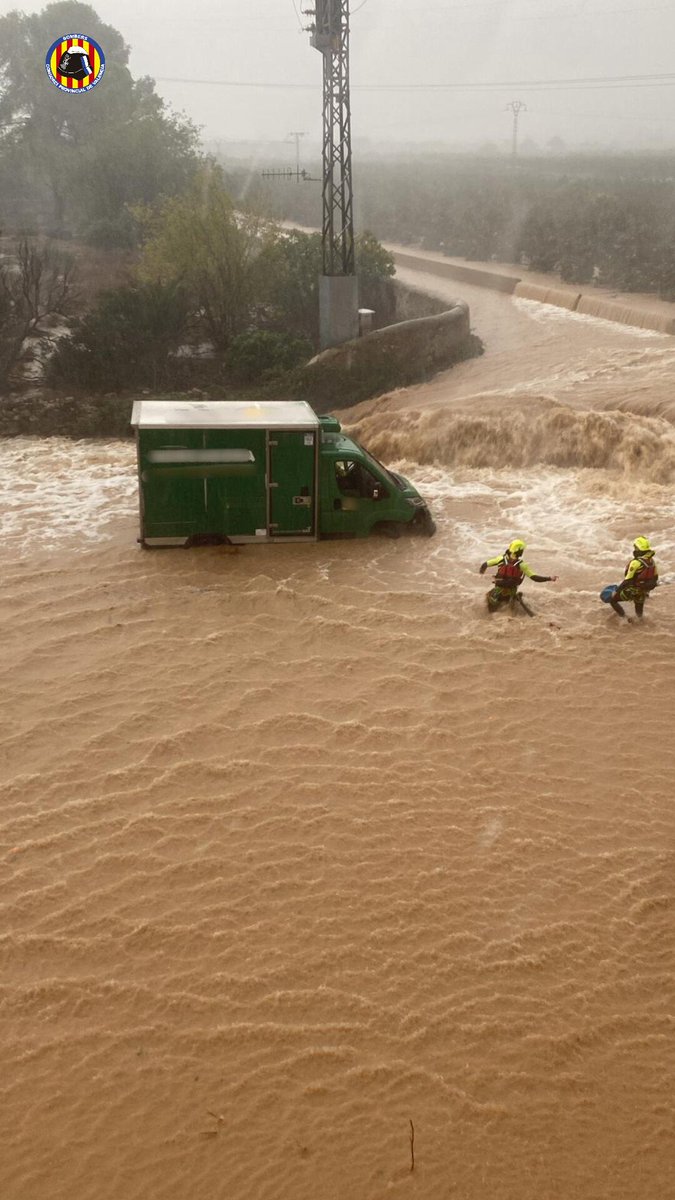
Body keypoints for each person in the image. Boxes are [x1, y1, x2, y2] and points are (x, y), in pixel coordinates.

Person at [479, 539, 558, 614]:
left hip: (497, 593)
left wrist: (480, 575)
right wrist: (550, 578)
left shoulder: (500, 559)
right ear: (519, 552)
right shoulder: (522, 565)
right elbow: (534, 578)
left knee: (492, 613)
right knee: (509, 614)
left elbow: (484, 565)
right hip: (511, 594)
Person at [608, 536, 658, 620]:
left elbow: (627, 581)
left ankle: (624, 618)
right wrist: (646, 591)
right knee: (639, 613)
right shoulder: (651, 561)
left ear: (638, 549)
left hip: (633, 589)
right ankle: (641, 623)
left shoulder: (635, 563)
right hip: (643, 591)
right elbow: (655, 577)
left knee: (612, 600)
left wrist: (616, 591)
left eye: (635, 547)